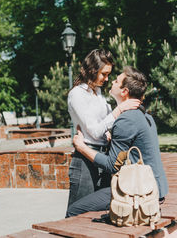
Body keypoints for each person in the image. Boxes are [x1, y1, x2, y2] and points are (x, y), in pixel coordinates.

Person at [66, 66, 168, 217]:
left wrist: (81, 147)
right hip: (157, 187)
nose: (110, 81)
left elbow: (112, 165)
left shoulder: (126, 119)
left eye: (116, 81)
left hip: (141, 191)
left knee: (74, 211)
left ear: (124, 91)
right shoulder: (145, 116)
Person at [67, 50, 141, 209]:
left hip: (104, 157)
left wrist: (109, 131)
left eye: (109, 74)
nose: (107, 79)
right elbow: (94, 131)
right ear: (92, 70)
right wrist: (119, 110)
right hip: (85, 160)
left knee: (99, 213)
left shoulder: (98, 93)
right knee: (76, 214)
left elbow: (104, 124)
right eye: (104, 74)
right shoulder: (77, 95)